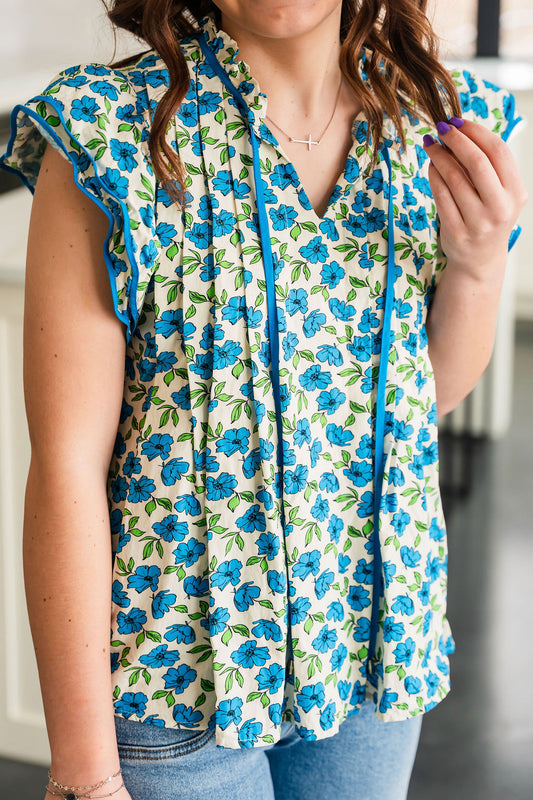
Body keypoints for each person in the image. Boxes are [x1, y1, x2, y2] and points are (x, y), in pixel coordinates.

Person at [0, 1, 527, 799]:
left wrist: (479, 267)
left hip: (370, 661)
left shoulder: (437, 125)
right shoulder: (107, 133)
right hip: (176, 687)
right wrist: (82, 772)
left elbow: (429, 396)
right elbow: (68, 466)